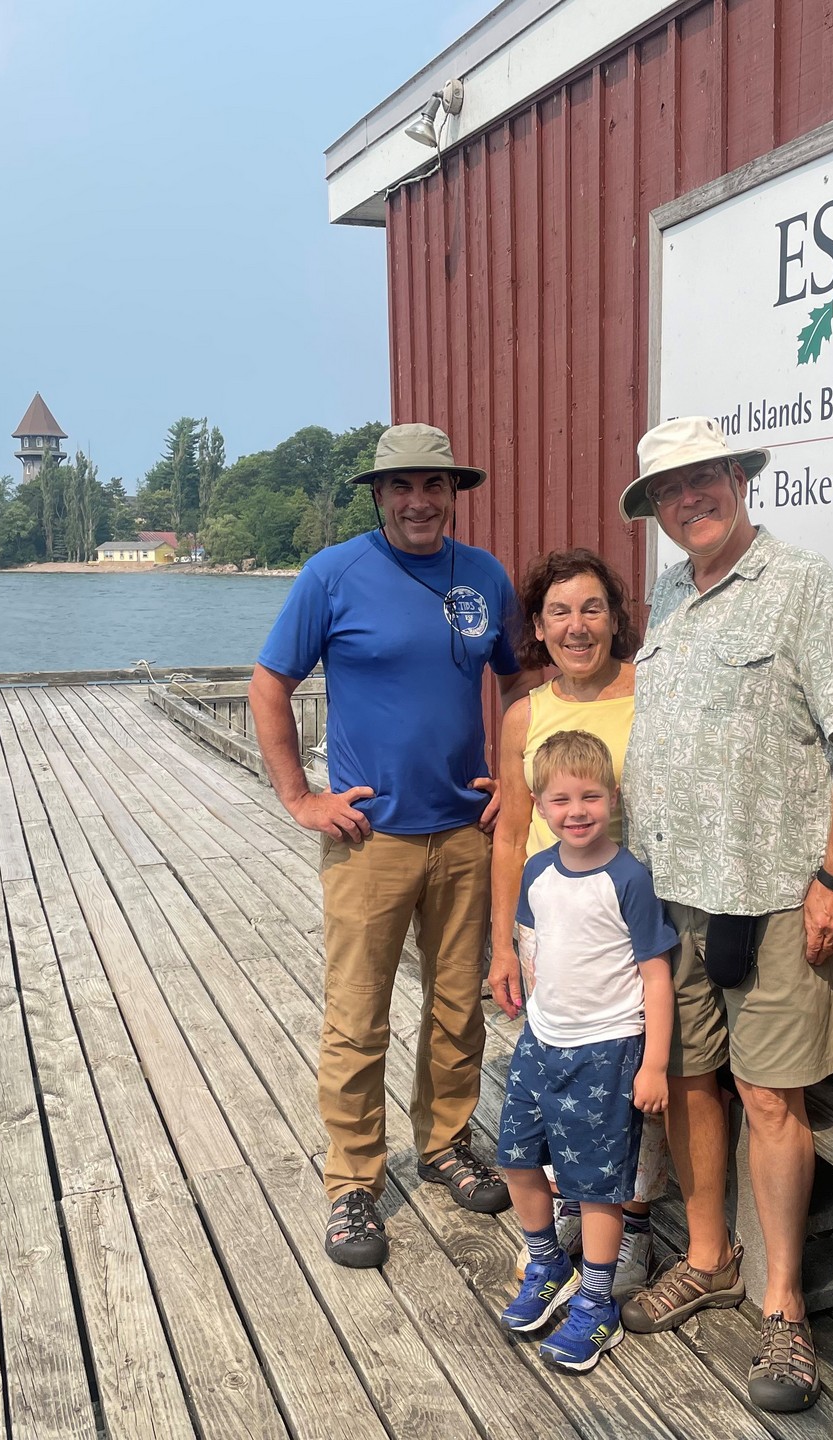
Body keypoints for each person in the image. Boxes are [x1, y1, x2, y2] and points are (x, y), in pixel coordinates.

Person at [615, 415, 833, 1414]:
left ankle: (783, 1308)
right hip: (675, 889)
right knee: (690, 1079)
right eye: (669, 492)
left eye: (705, 479)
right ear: (656, 512)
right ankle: (708, 1255)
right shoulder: (669, 597)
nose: (691, 500)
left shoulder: (803, 587)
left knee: (772, 1098)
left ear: (739, 476)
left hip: (776, 894)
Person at [248, 422, 526, 1270]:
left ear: (454, 494)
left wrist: (512, 779)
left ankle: (444, 1144)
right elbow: (269, 682)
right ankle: (353, 1182)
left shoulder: (483, 576)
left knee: (457, 1006)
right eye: (401, 487)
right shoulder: (334, 573)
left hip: (464, 833)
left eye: (434, 486)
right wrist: (299, 796)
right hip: (371, 837)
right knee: (358, 1015)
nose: (419, 502)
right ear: (378, 495)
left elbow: (514, 677)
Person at [488, 548, 669, 1296]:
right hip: (551, 920)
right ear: (538, 625)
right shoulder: (524, 712)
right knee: (560, 1068)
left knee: (628, 1074)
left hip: (629, 916)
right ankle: (575, 1208)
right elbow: (508, 831)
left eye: (592, 608)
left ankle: (630, 1225)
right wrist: (502, 942)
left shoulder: (651, 693)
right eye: (559, 611)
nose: (577, 626)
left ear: (616, 617)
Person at [494, 730, 677, 1372]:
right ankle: (545, 1261)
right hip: (541, 1041)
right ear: (539, 804)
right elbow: (535, 945)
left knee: (598, 1185)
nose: (577, 811)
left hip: (607, 1050)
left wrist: (654, 1061)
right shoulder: (536, 872)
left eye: (591, 797)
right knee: (516, 1157)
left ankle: (596, 1296)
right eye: (561, 799)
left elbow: (657, 975)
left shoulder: (629, 878)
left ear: (612, 798)